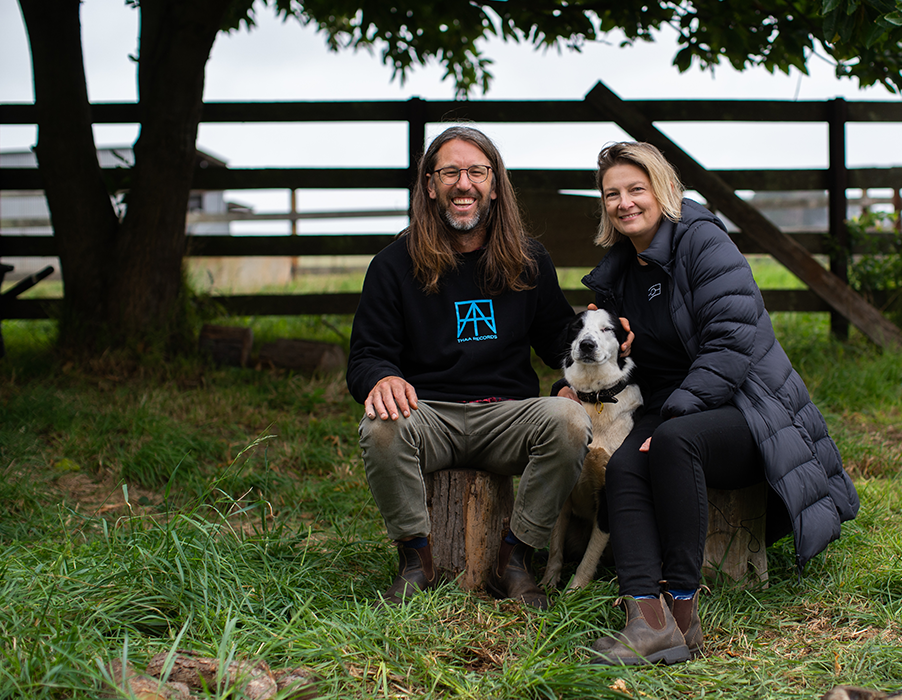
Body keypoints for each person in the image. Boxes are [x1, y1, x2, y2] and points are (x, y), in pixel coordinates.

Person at [581, 142, 860, 665]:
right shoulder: (620, 271)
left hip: (750, 407)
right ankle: (646, 616)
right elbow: (618, 356)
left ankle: (683, 610)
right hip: (675, 405)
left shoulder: (703, 242)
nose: (625, 203)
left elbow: (733, 342)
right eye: (612, 194)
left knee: (671, 440)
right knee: (622, 466)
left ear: (663, 190)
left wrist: (674, 414)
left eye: (636, 189)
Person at [346, 125, 591, 610]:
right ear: (430, 185)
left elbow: (559, 340)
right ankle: (416, 560)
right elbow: (365, 356)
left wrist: (576, 371)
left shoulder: (526, 259)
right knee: (380, 430)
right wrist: (382, 376)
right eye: (450, 172)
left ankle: (515, 558)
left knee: (568, 421)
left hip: (507, 417)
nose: (464, 183)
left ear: (495, 184)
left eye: (477, 171)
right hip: (429, 416)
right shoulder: (394, 264)